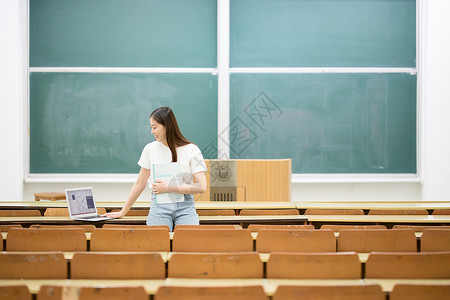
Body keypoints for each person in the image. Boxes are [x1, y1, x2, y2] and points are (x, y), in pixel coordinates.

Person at [103, 106, 207, 231]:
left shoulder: (191, 149)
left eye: (154, 127)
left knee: (188, 240)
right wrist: (122, 212)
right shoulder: (150, 149)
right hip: (160, 206)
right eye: (151, 127)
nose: (152, 131)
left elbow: (202, 187)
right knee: (157, 240)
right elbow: (139, 184)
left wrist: (168, 187)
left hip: (185, 205)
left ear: (167, 126)